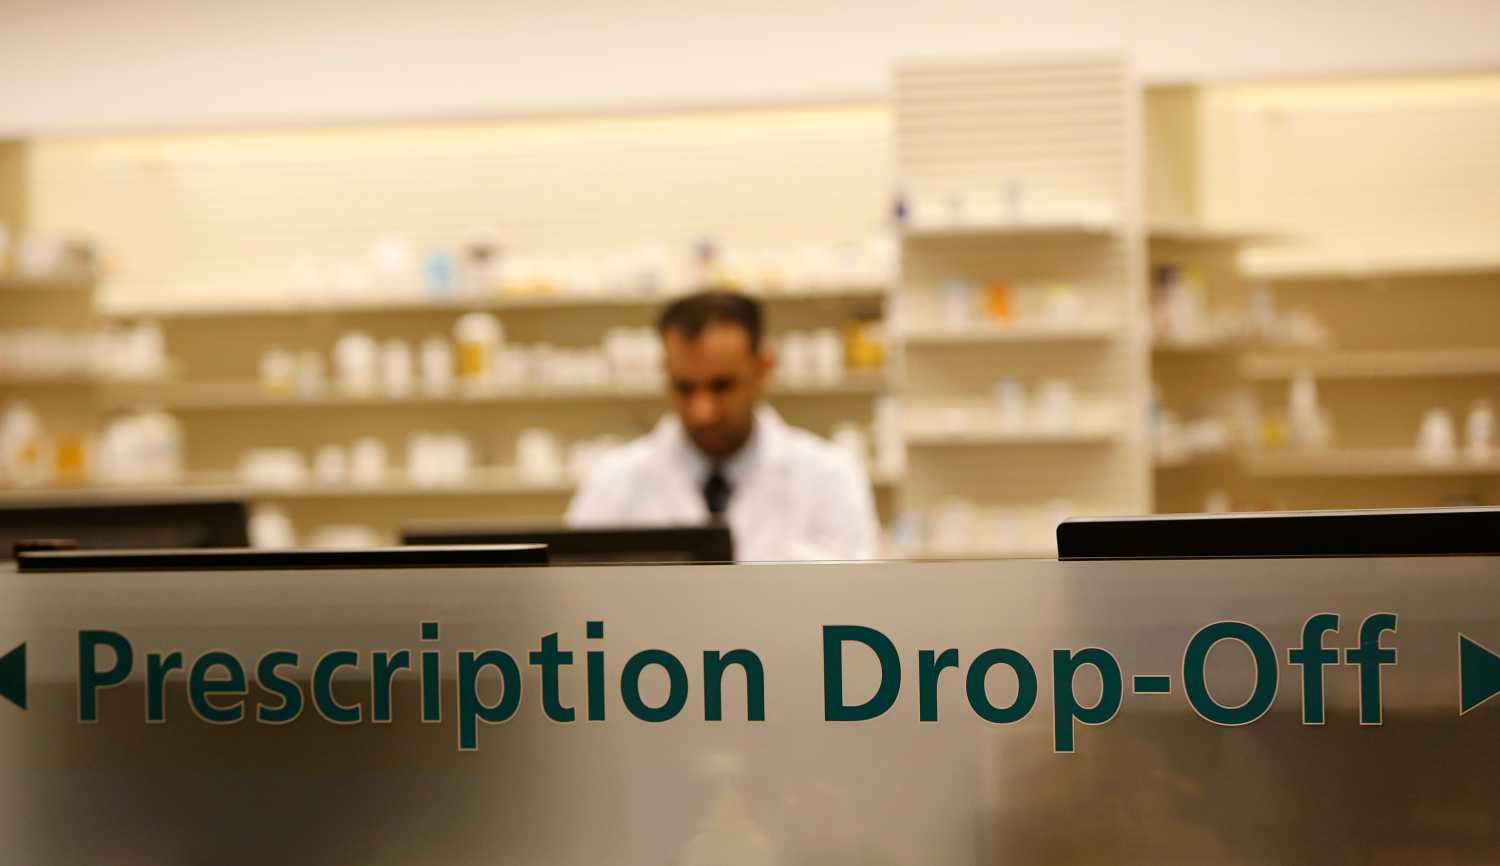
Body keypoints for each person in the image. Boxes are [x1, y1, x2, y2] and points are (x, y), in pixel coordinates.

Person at [566, 290, 880, 561]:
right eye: (684, 388)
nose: (703, 412)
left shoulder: (830, 477)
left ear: (762, 370)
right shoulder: (613, 482)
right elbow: (576, 600)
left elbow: (858, 602)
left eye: (722, 386)